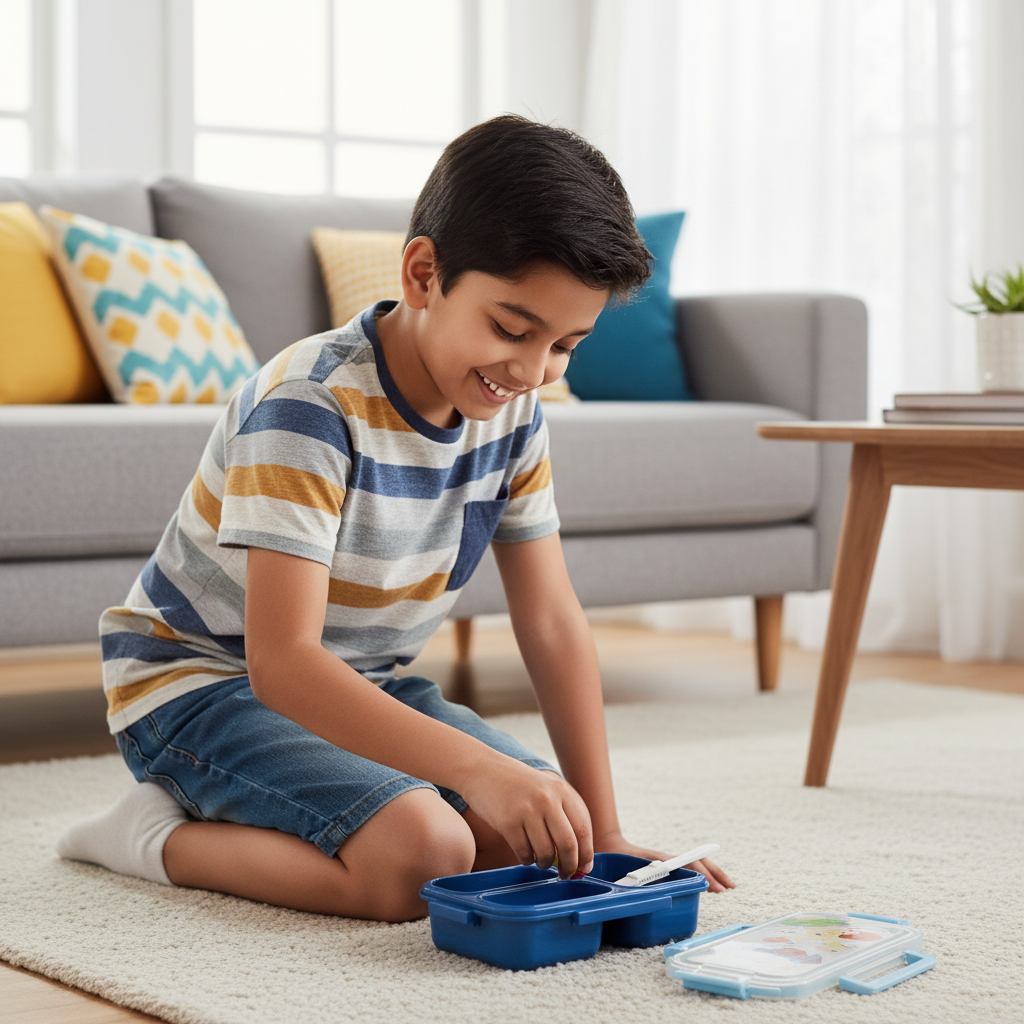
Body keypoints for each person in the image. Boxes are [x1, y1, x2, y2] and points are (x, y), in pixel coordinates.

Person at [56, 115, 734, 920]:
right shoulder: (310, 405)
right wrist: (475, 772)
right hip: (199, 688)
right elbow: (283, 664)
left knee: (540, 830)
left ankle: (323, 811)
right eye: (512, 329)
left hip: (360, 685)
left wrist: (608, 825)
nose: (530, 370)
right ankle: (152, 835)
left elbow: (550, 619)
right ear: (421, 273)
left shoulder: (514, 414)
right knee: (425, 855)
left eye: (565, 347)